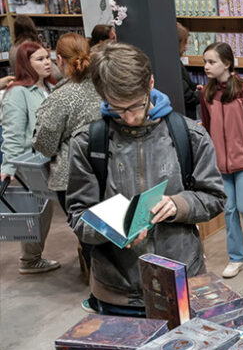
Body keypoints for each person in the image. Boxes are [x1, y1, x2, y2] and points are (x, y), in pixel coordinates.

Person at [66, 42, 225, 316]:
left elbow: (215, 198)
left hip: (184, 283)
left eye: (136, 105)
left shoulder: (188, 135)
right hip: (116, 293)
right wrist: (111, 227)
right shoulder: (89, 143)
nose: (128, 118)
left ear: (150, 83)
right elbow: (78, 216)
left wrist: (179, 205)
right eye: (117, 108)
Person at [32, 33, 103, 310]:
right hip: (108, 170)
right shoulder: (102, 87)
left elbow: (45, 144)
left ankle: (100, 297)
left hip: (72, 177)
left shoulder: (61, 98)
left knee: (89, 238)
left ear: (59, 59)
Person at [200, 42, 243, 278]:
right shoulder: (206, 94)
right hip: (220, 165)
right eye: (205, 62)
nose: (207, 66)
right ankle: (237, 258)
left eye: (212, 62)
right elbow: (207, 133)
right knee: (228, 210)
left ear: (227, 64)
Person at [1, 41, 59, 274]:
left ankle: (31, 257)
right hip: (31, 163)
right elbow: (13, 133)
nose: (47, 63)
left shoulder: (49, 88)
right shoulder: (18, 93)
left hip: (50, 159)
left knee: (46, 209)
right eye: (40, 59)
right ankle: (30, 259)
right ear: (26, 64)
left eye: (48, 57)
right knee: (38, 212)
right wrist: (9, 166)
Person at [177, 22, 200, 120]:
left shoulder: (175, 62)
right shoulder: (172, 66)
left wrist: (194, 86)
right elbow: (188, 97)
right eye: (185, 42)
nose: (186, 47)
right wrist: (206, 92)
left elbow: (185, 82)